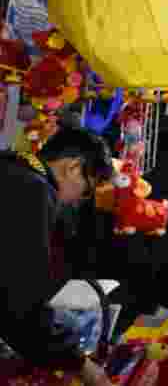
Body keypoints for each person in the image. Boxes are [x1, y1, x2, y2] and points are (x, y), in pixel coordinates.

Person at [0, 126, 115, 386]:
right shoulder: (33, 189)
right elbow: (20, 303)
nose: (77, 201)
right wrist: (79, 362)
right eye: (86, 191)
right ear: (73, 167)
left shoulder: (11, 167)